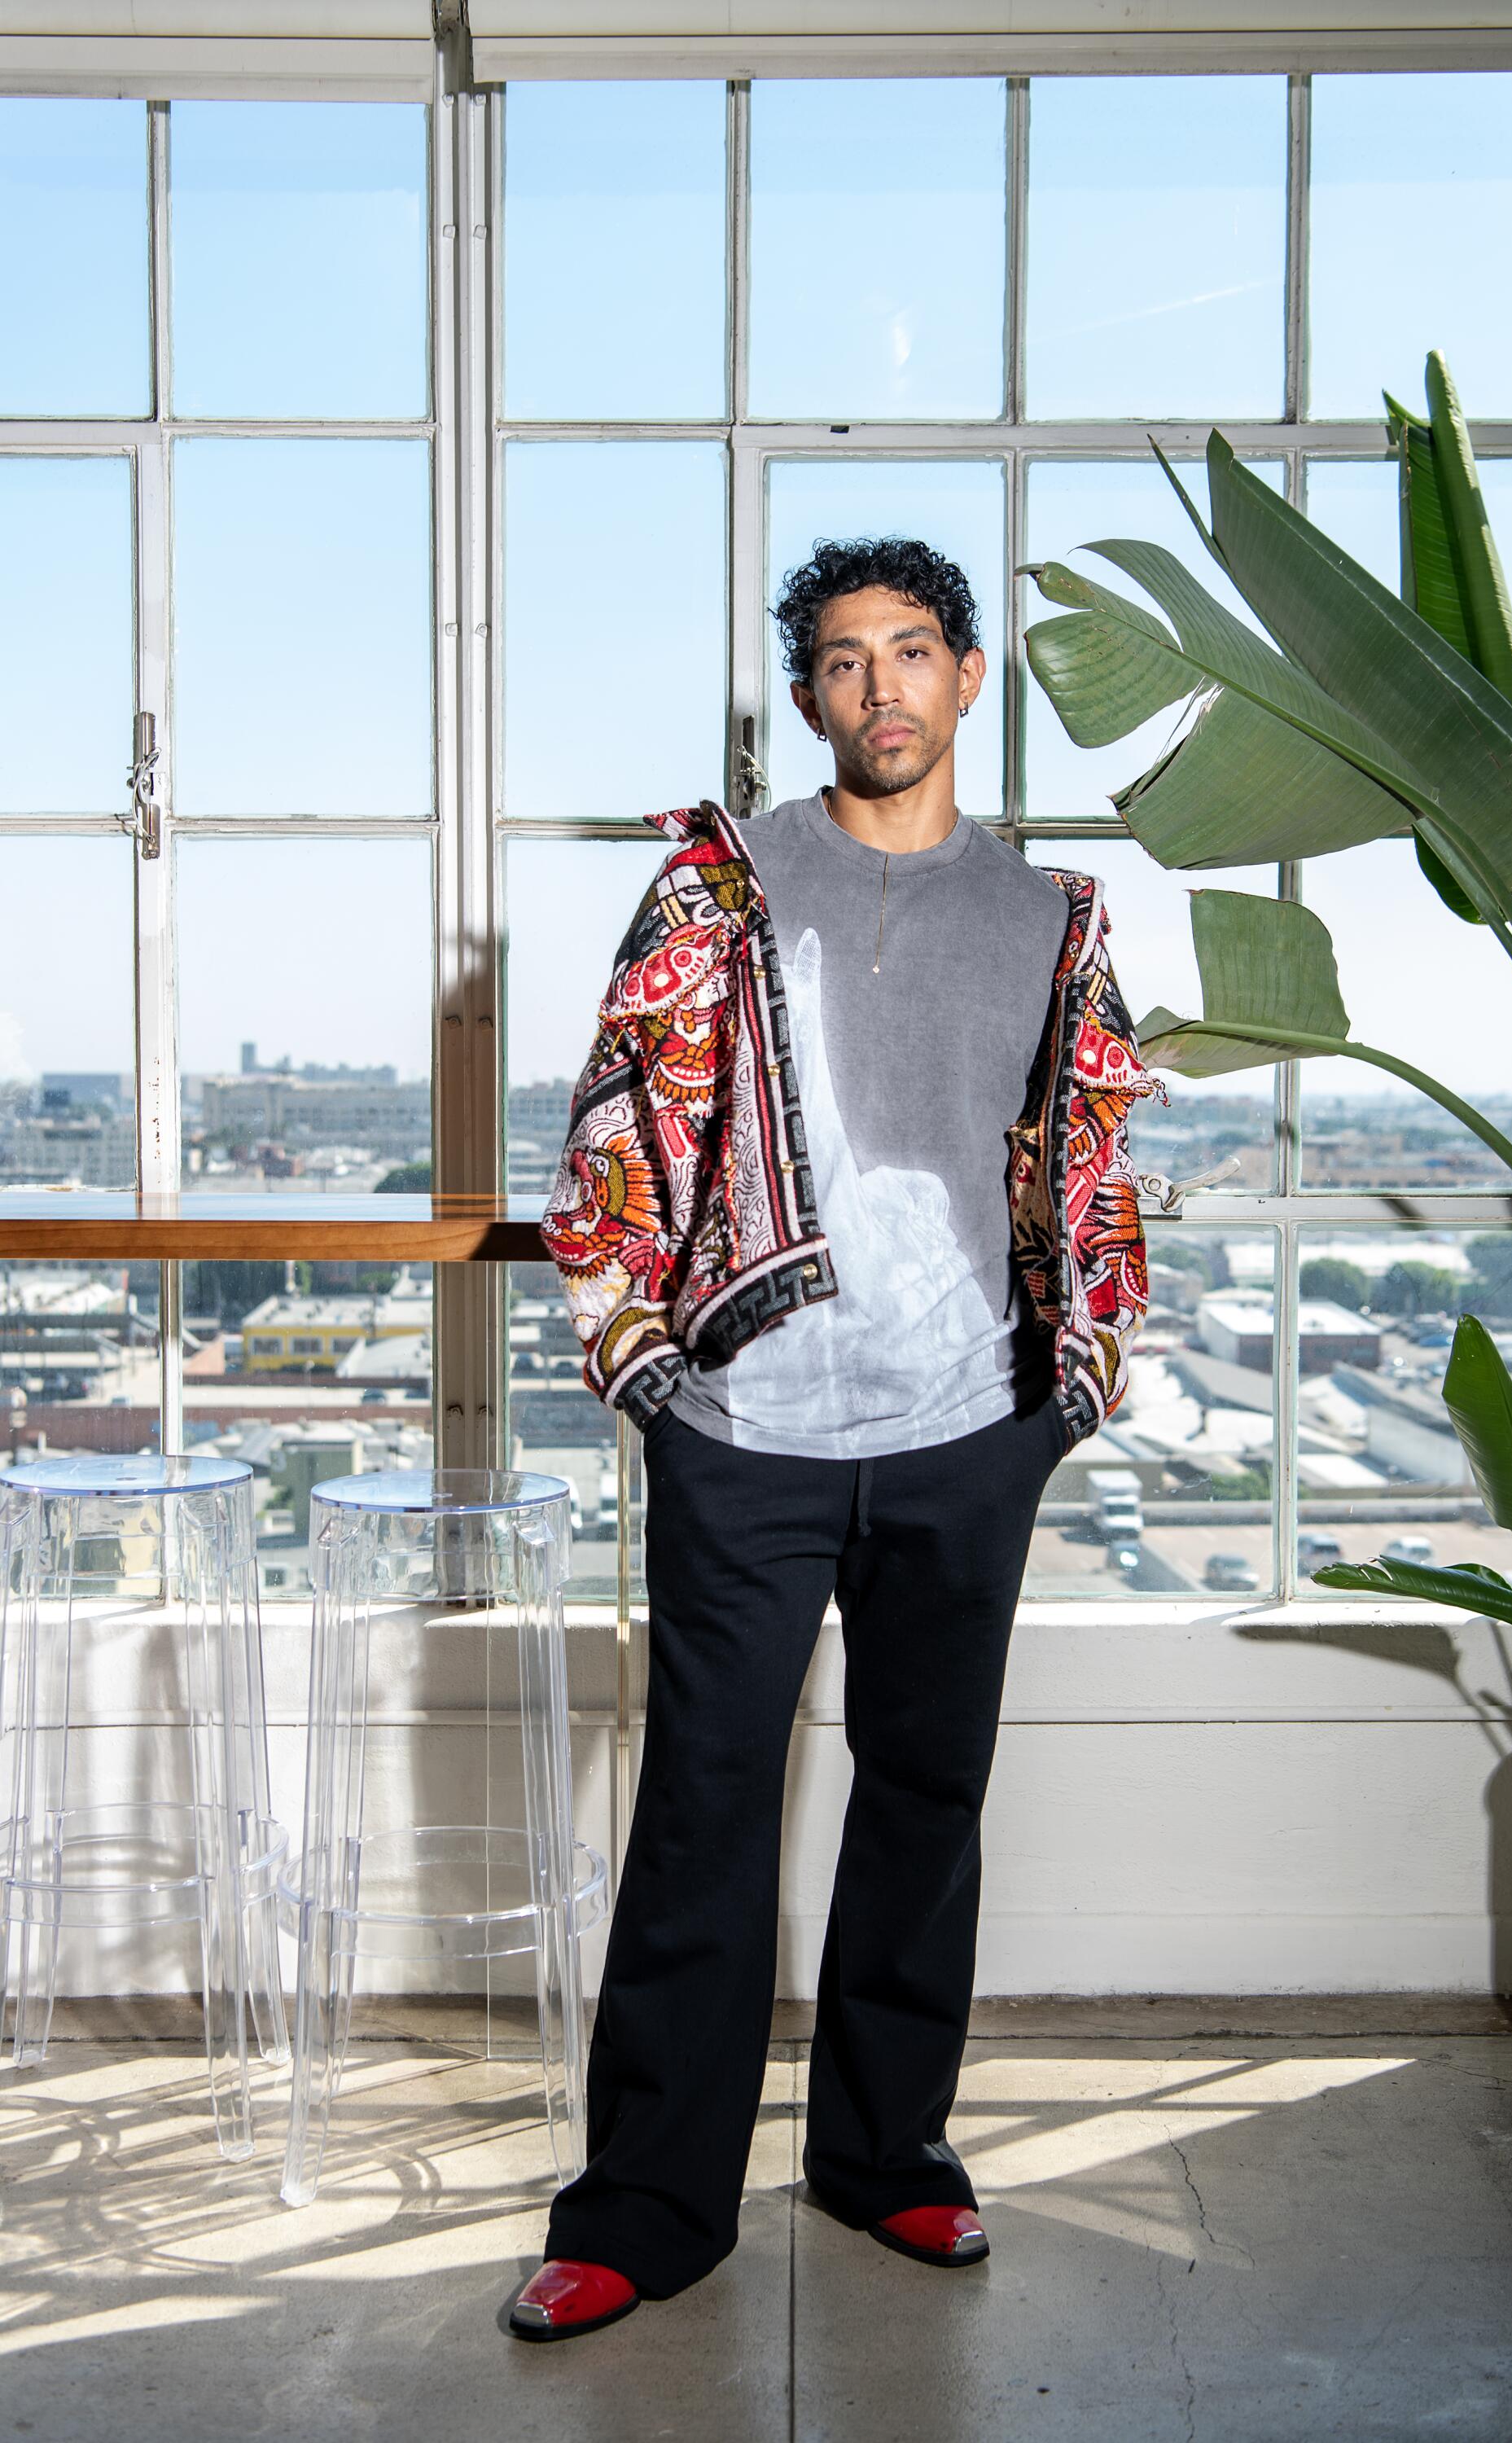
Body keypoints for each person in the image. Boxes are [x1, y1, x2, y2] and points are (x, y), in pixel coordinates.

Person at [509, 537, 1155, 2342]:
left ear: (963, 681)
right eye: (846, 662)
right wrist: (643, 1370)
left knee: (925, 1805)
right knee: (705, 1810)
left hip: (970, 1426)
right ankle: (642, 2208)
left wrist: (1068, 1390)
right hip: (746, 1429)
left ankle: (890, 2159)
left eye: (913, 653)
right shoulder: (723, 885)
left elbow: (1091, 1161)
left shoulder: (1050, 915)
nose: (882, 688)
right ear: (810, 701)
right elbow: (614, 1124)